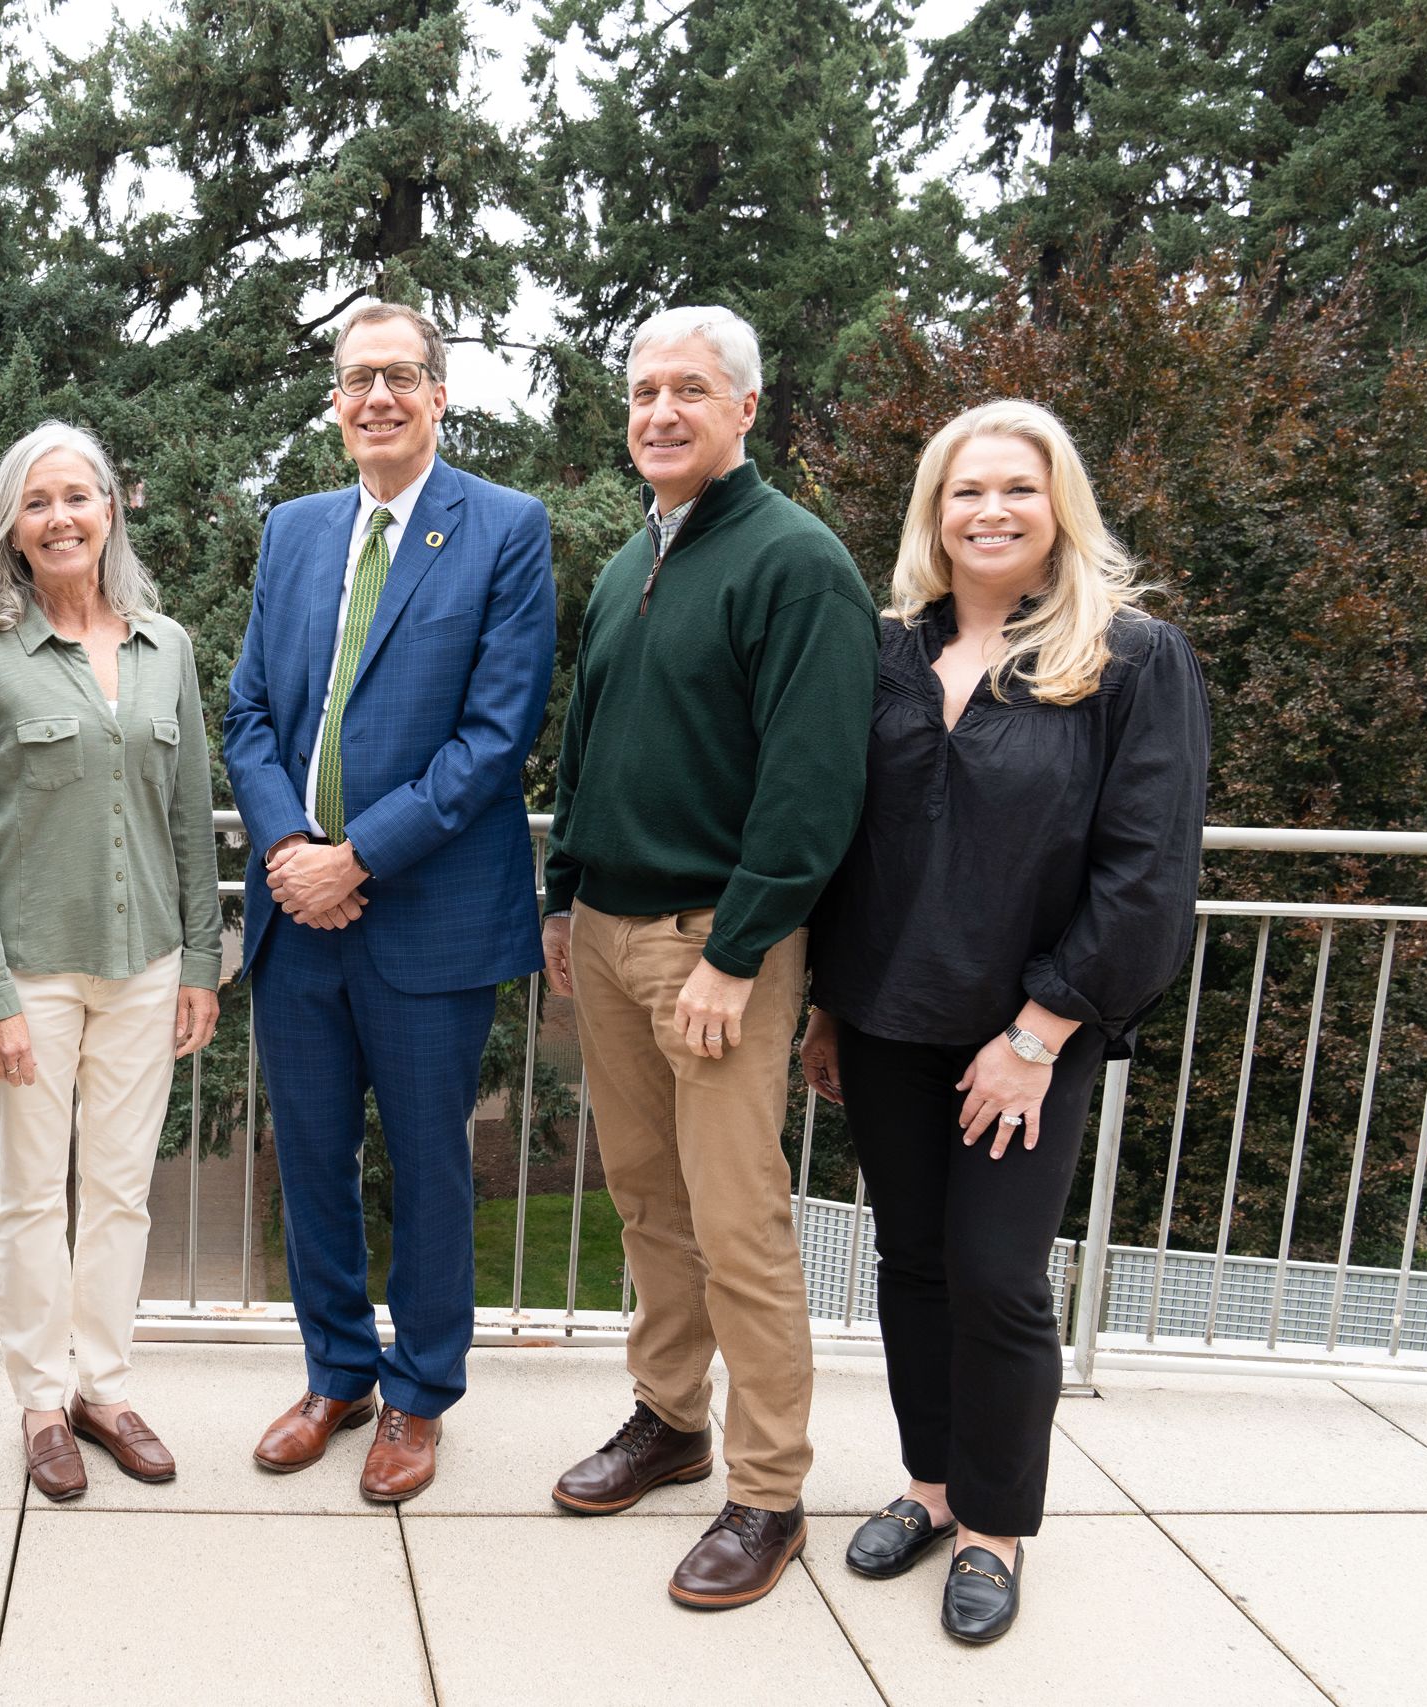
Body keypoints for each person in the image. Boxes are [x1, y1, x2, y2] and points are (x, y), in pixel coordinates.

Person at [804, 399, 1207, 1643]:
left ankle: (994, 1526)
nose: (990, 511)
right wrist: (826, 1009)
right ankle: (931, 1486)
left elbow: (1147, 874)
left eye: (1016, 489)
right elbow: (847, 844)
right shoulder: (884, 651)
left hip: (1029, 1034)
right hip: (884, 1017)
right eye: (964, 490)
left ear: (1058, 507)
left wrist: (1037, 1035)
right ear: (933, 512)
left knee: (996, 1277)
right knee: (912, 1266)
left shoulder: (1131, 659)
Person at [541, 305, 877, 1609]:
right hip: (609, 931)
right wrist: (563, 898)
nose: (660, 412)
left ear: (745, 408)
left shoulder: (796, 563)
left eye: (689, 389)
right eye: (643, 392)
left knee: (739, 1222)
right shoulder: (639, 556)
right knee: (648, 1201)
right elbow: (584, 744)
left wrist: (736, 955)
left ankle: (769, 1491)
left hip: (714, 944)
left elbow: (811, 785)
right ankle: (670, 1418)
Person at [223, 300, 556, 1504]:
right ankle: (336, 1376)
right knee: (312, 1158)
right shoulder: (294, 530)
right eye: (357, 377)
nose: (377, 397)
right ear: (334, 401)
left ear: (438, 395)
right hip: (294, 913)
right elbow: (249, 714)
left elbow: (495, 736)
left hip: (425, 916)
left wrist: (355, 858)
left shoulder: (504, 528)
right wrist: (288, 849)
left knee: (427, 1169)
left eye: (401, 376)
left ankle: (418, 1395)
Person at [0, 420, 225, 1501]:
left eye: (78, 497)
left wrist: (201, 960)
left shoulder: (168, 647)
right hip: (33, 972)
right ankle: (39, 1400)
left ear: (110, 509)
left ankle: (104, 1388)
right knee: (30, 1195)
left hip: (147, 963)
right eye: (37, 502)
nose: (60, 518)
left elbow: (190, 816)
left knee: (119, 1192)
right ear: (11, 529)